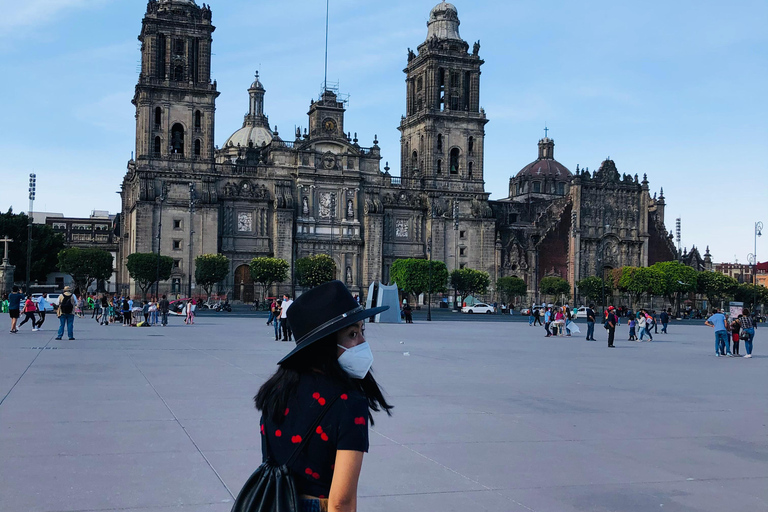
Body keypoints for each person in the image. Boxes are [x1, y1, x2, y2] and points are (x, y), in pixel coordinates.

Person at [252, 280, 393, 512]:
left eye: (362, 331)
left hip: (275, 503)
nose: (362, 342)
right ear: (325, 344)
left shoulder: (276, 389)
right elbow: (341, 502)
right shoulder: (348, 403)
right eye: (353, 334)